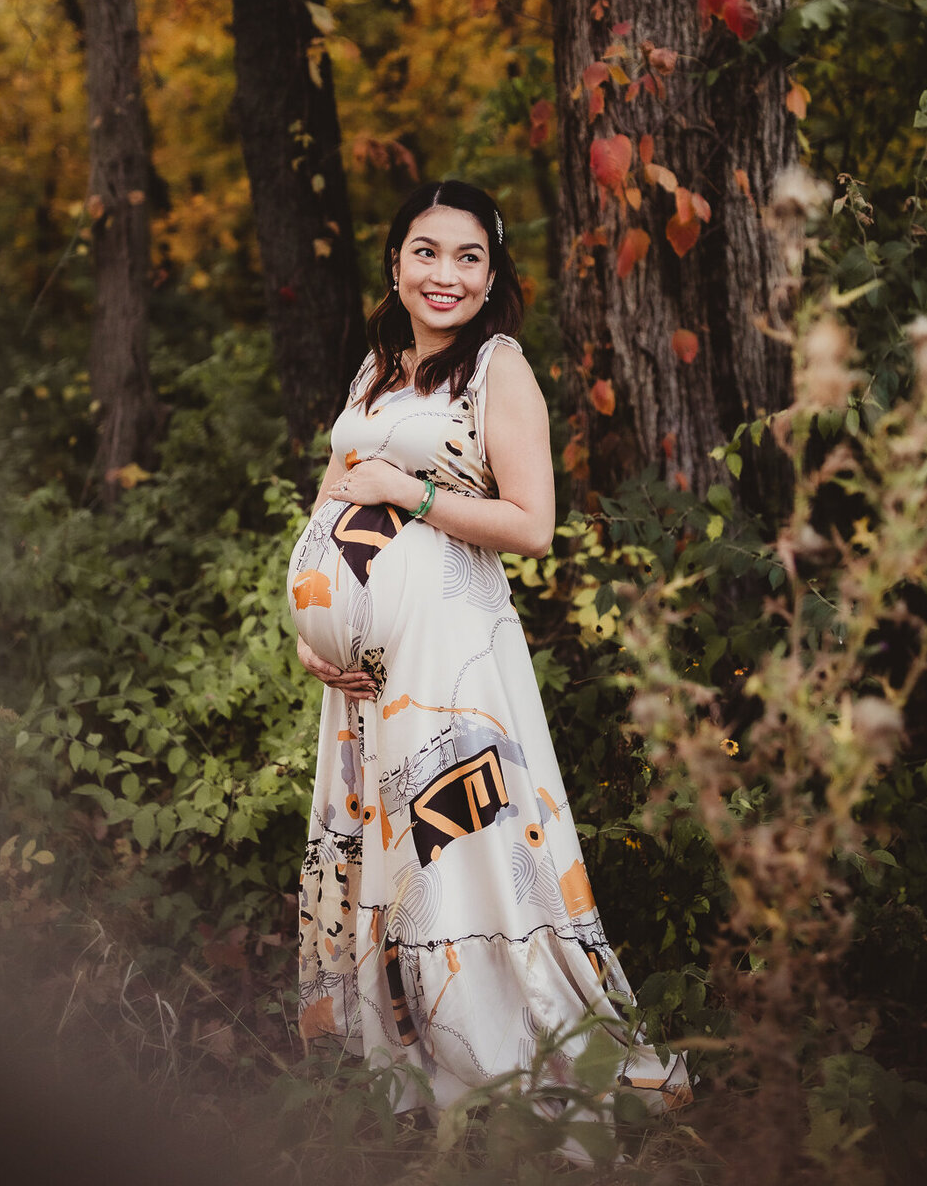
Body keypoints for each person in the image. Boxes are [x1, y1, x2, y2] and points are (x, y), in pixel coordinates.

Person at [287, 178, 689, 1117]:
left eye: (469, 258)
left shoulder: (496, 367)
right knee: (391, 853)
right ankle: (415, 1062)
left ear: (492, 275)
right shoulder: (376, 366)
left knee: (462, 846)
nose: (445, 274)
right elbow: (330, 497)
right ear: (395, 264)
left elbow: (532, 523)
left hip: (451, 662)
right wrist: (311, 624)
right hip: (363, 676)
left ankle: (512, 1058)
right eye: (426, 251)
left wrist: (407, 490)